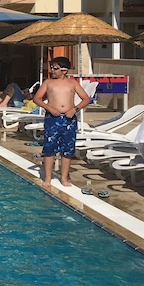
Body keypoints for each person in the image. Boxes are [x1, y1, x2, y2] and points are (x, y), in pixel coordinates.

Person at [32, 57, 90, 189]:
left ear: (64, 70)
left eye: (55, 68)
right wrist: (49, 108)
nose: (52, 70)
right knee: (49, 148)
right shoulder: (48, 83)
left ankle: (64, 178)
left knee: (67, 149)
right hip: (52, 119)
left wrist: (74, 109)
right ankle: (47, 178)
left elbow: (86, 99)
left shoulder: (72, 83)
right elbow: (37, 98)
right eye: (51, 67)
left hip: (69, 119)